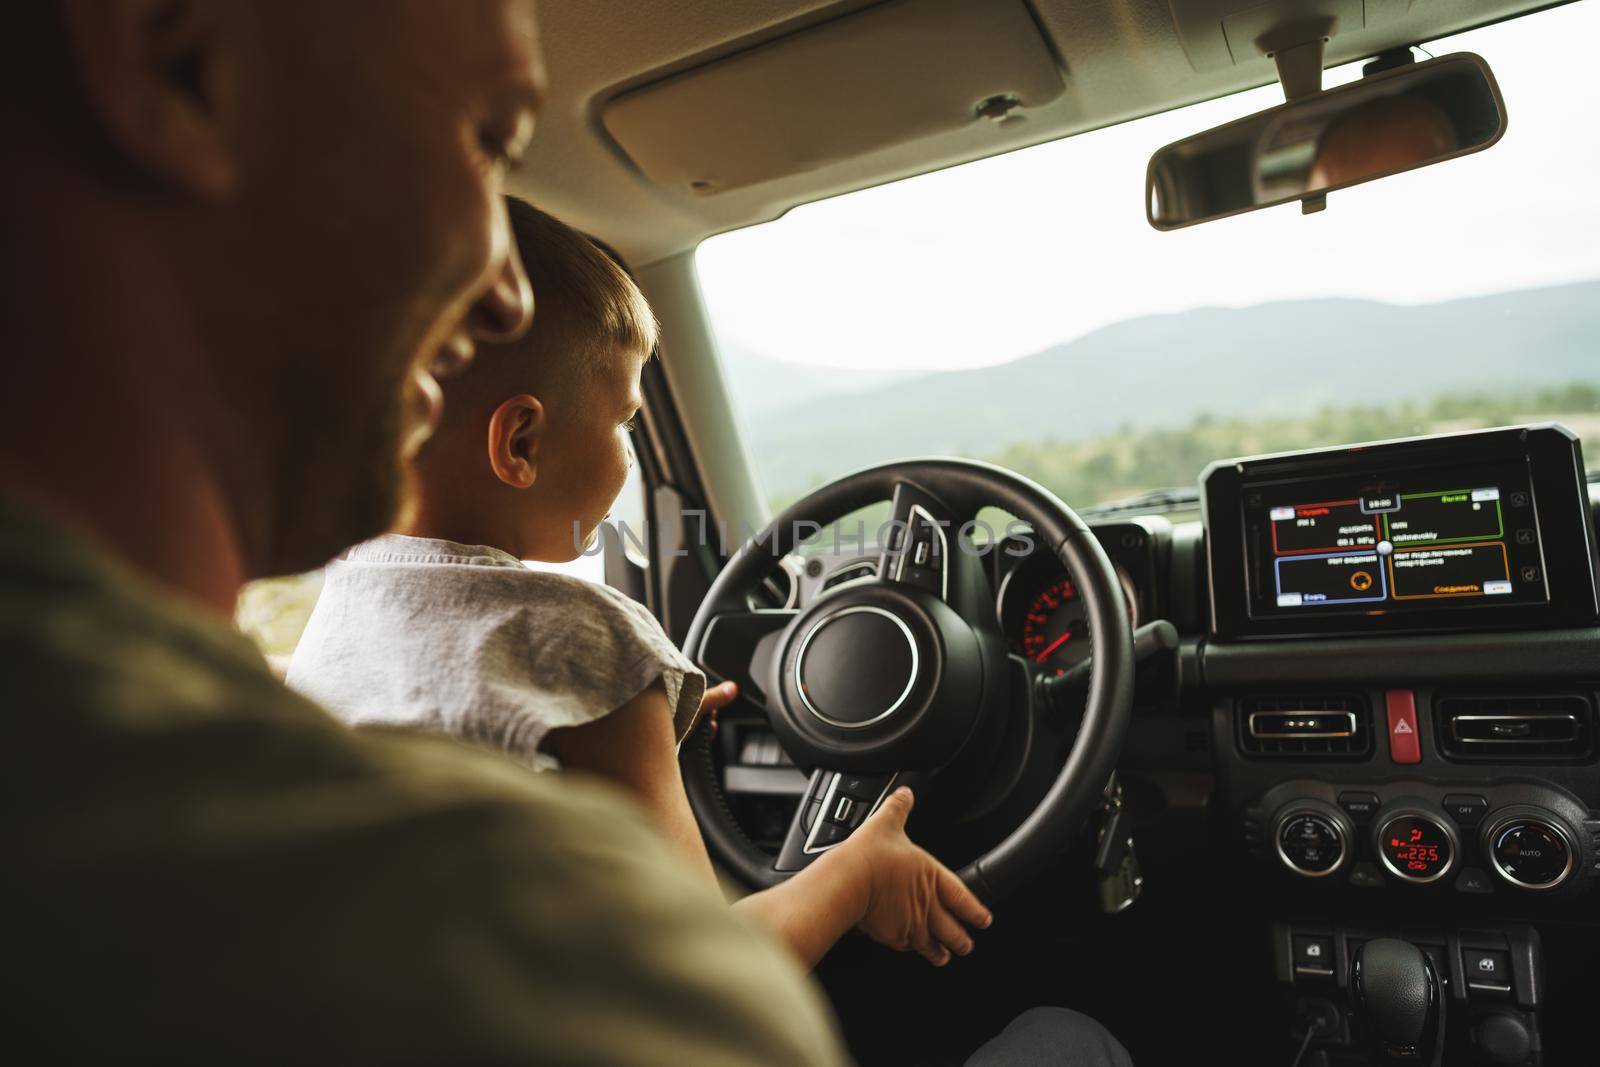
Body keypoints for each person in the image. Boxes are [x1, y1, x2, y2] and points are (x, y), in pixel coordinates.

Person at [1, 1, 1130, 1062]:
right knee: (1065, 1036)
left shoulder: (299, 649)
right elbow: (726, 980)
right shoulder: (581, 659)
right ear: (176, 57)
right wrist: (852, 866)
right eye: (483, 143)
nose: (494, 289)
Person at [288, 198, 993, 971]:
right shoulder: (583, 639)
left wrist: (651, 729)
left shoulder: (338, 610)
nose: (627, 449)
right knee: (1070, 1037)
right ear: (520, 442)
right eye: (625, 417)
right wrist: (857, 875)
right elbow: (707, 969)